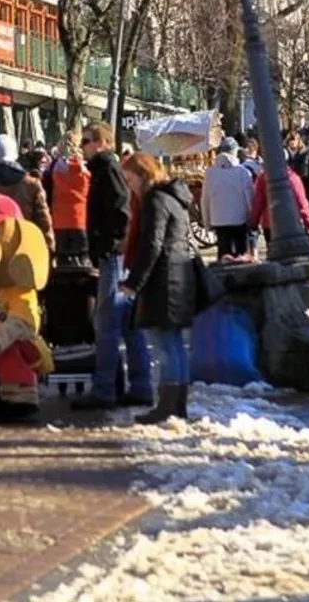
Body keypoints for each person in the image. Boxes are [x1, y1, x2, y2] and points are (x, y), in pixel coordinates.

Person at [71, 122, 152, 411]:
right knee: (129, 324)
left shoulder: (107, 170)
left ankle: (105, 389)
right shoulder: (105, 170)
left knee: (106, 324)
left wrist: (108, 244)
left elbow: (121, 211)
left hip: (114, 256)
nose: (83, 146)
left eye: (88, 141)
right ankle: (141, 385)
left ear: (103, 142)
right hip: (120, 254)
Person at [118, 153, 201, 424]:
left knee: (165, 345)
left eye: (130, 179)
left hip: (162, 280)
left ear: (143, 175)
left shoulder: (154, 200)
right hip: (178, 276)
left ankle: (166, 406)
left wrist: (134, 283)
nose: (129, 185)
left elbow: (151, 246)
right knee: (175, 344)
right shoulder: (174, 197)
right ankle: (177, 405)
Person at [0, 134, 53, 243]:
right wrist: (49, 247)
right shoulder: (32, 184)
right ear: (15, 153)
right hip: (24, 245)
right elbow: (43, 221)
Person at [201, 142, 256, 261]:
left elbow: (205, 199)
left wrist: (207, 223)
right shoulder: (242, 172)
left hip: (218, 220)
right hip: (239, 219)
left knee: (223, 253)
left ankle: (222, 277)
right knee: (241, 255)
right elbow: (249, 197)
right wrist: (253, 220)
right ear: (235, 152)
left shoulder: (210, 173)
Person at [251, 157, 309, 252]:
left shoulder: (263, 178)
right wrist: (308, 221)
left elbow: (258, 202)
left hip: (269, 223)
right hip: (292, 223)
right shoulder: (293, 177)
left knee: (274, 254)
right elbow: (301, 201)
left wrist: (253, 222)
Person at [45, 146, 92, 261]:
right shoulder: (87, 169)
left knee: (62, 259)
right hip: (81, 218)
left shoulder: (54, 168)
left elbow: (47, 190)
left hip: (59, 219)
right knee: (83, 259)